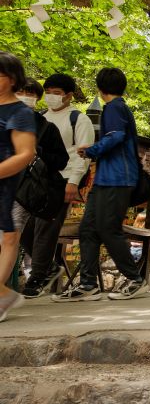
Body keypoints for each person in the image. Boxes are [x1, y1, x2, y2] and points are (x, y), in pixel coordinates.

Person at [54, 67, 146, 301]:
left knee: (107, 228)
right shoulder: (117, 107)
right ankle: (87, 284)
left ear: (100, 87)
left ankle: (135, 279)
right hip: (106, 179)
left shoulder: (115, 108)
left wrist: (91, 150)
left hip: (118, 178)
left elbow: (115, 137)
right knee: (88, 228)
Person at [19, 73, 95, 299]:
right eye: (49, 92)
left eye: (57, 93)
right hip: (37, 180)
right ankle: (51, 267)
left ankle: (38, 277)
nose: (52, 96)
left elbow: (84, 154)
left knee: (46, 227)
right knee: (24, 228)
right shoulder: (40, 117)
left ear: (69, 96)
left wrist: (73, 182)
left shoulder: (79, 120)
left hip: (63, 180)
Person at [0, 53, 37, 322]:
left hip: (6, 182)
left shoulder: (20, 113)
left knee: (9, 237)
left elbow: (25, 154)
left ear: (11, 79)